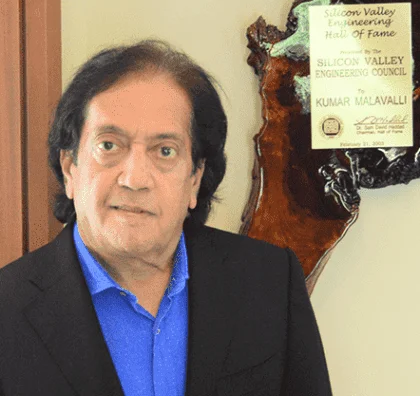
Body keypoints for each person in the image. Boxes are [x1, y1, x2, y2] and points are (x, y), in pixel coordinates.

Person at [0, 40, 332, 396]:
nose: (134, 179)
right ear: (70, 168)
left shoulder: (269, 283)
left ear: (195, 178)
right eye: (109, 145)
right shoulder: (8, 309)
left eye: (165, 151)